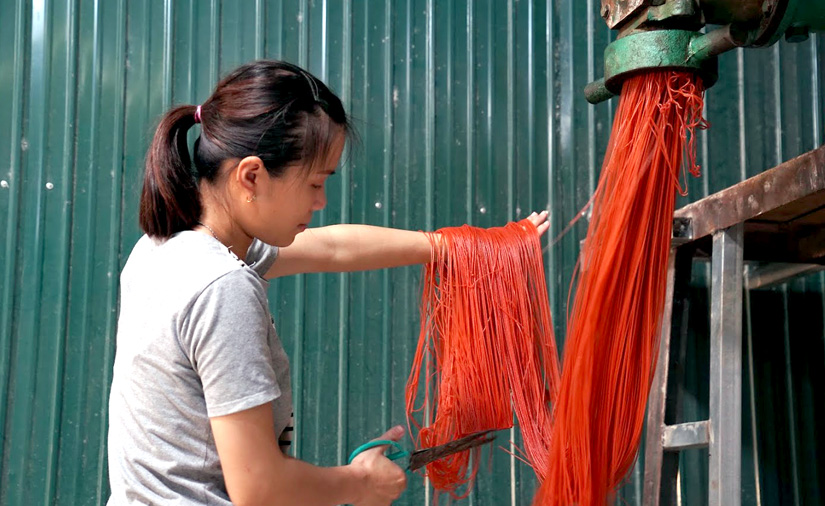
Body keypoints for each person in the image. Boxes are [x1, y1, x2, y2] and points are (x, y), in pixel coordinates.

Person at [107, 59, 550, 506]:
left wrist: (453, 246)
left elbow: (331, 248)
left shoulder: (164, 249)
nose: (321, 202)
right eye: (316, 183)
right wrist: (361, 483)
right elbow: (258, 488)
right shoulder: (223, 287)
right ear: (252, 176)